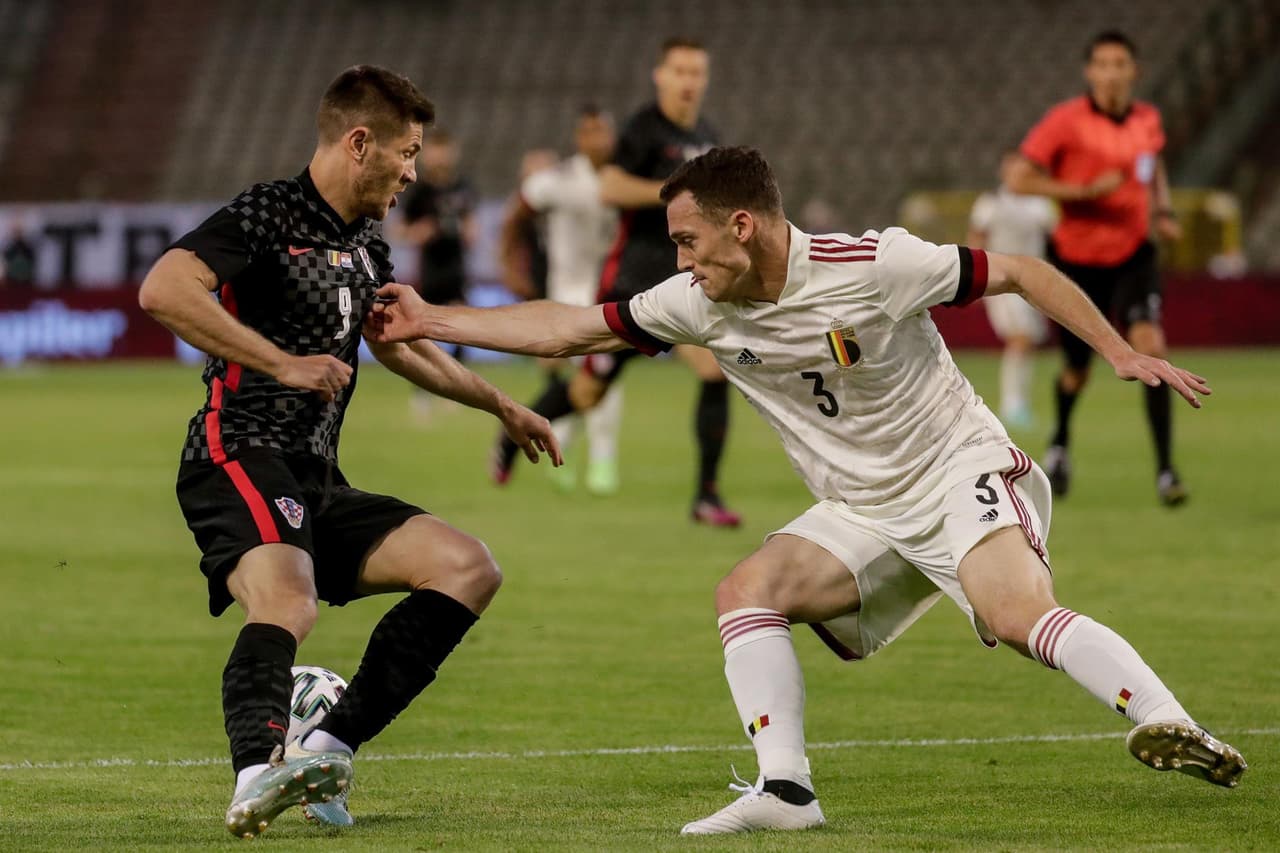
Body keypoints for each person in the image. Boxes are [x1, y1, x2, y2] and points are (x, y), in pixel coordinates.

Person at [366, 147, 1246, 835]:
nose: (679, 259)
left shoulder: (874, 265)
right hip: (862, 507)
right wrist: (435, 319)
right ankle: (786, 788)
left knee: (1017, 615)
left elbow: (1020, 270)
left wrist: (1120, 351)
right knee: (746, 592)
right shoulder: (697, 302)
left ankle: (1170, 720)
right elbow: (569, 330)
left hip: (956, 468)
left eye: (687, 240)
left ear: (741, 226)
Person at [138, 65, 560, 839]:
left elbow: (400, 347)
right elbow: (164, 289)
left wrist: (499, 402)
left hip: (316, 478)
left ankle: (323, 744)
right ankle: (255, 773)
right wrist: (281, 362)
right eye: (405, 152)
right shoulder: (268, 212)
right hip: (235, 454)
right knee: (288, 600)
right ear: (359, 142)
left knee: (468, 566)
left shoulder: (367, 244)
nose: (411, 170)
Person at [494, 36, 742, 526]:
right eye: (680, 72)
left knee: (714, 372)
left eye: (697, 73)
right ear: (661, 76)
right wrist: (676, 192)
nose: (689, 82)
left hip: (686, 282)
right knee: (588, 395)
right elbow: (611, 186)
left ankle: (706, 496)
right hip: (633, 283)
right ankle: (509, 434)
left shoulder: (709, 136)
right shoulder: (643, 128)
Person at [1007, 30, 1186, 505]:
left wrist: (1162, 211)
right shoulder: (1064, 123)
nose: (1111, 73)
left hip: (1133, 253)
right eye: (1102, 64)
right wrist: (1082, 192)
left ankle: (1167, 471)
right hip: (1076, 261)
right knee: (1077, 371)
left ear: (1134, 71)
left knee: (1151, 346)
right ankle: (1060, 442)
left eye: (1120, 63)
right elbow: (1017, 177)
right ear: (1090, 72)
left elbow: (1155, 165)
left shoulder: (1146, 119)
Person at [497, 105, 625, 495]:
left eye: (602, 131)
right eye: (588, 132)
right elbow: (516, 214)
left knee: (606, 380)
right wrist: (509, 265)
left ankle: (603, 460)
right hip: (564, 296)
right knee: (566, 380)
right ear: (578, 137)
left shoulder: (625, 179)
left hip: (609, 296)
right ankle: (563, 451)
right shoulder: (558, 180)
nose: (596, 140)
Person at [967, 150, 1058, 430]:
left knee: (1028, 341)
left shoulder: (1041, 204)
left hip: (1033, 279)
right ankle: (1012, 404)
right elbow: (976, 237)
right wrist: (971, 279)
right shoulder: (991, 203)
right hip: (1001, 278)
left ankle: (1020, 401)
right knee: (1020, 337)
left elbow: (1055, 241)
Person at [398, 128, 479, 420]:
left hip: (456, 269)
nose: (440, 155)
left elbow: (472, 224)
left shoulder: (463, 187)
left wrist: (470, 231)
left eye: (445, 149)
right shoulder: (418, 190)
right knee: (421, 332)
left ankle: (455, 390)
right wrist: (420, 232)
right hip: (429, 271)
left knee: (460, 330)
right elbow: (402, 229)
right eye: (435, 149)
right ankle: (422, 392)